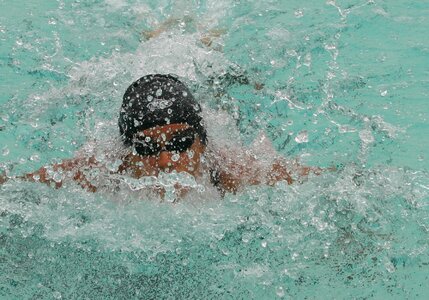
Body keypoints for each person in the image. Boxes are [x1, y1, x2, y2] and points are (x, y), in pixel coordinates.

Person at [0, 74, 323, 198]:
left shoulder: (233, 169)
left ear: (201, 142)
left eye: (182, 142)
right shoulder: (99, 170)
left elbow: (339, 187)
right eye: (147, 147)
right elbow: (17, 187)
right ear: (128, 149)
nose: (167, 159)